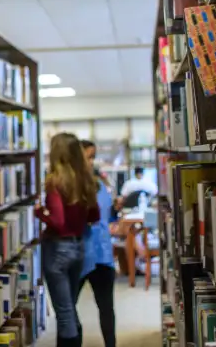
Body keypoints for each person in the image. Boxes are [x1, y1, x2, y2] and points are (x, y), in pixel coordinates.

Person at [36, 133, 100, 347]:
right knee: (69, 307)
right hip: (78, 247)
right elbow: (94, 216)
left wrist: (40, 213)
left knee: (64, 312)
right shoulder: (85, 179)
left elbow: (58, 222)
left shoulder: (55, 181)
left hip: (57, 250)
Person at [76, 147, 117, 347]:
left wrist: (116, 207)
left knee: (106, 307)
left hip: (102, 254)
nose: (91, 162)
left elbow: (108, 217)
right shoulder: (70, 187)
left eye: (93, 157)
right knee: (68, 309)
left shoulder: (101, 184)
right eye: (87, 157)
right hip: (79, 255)